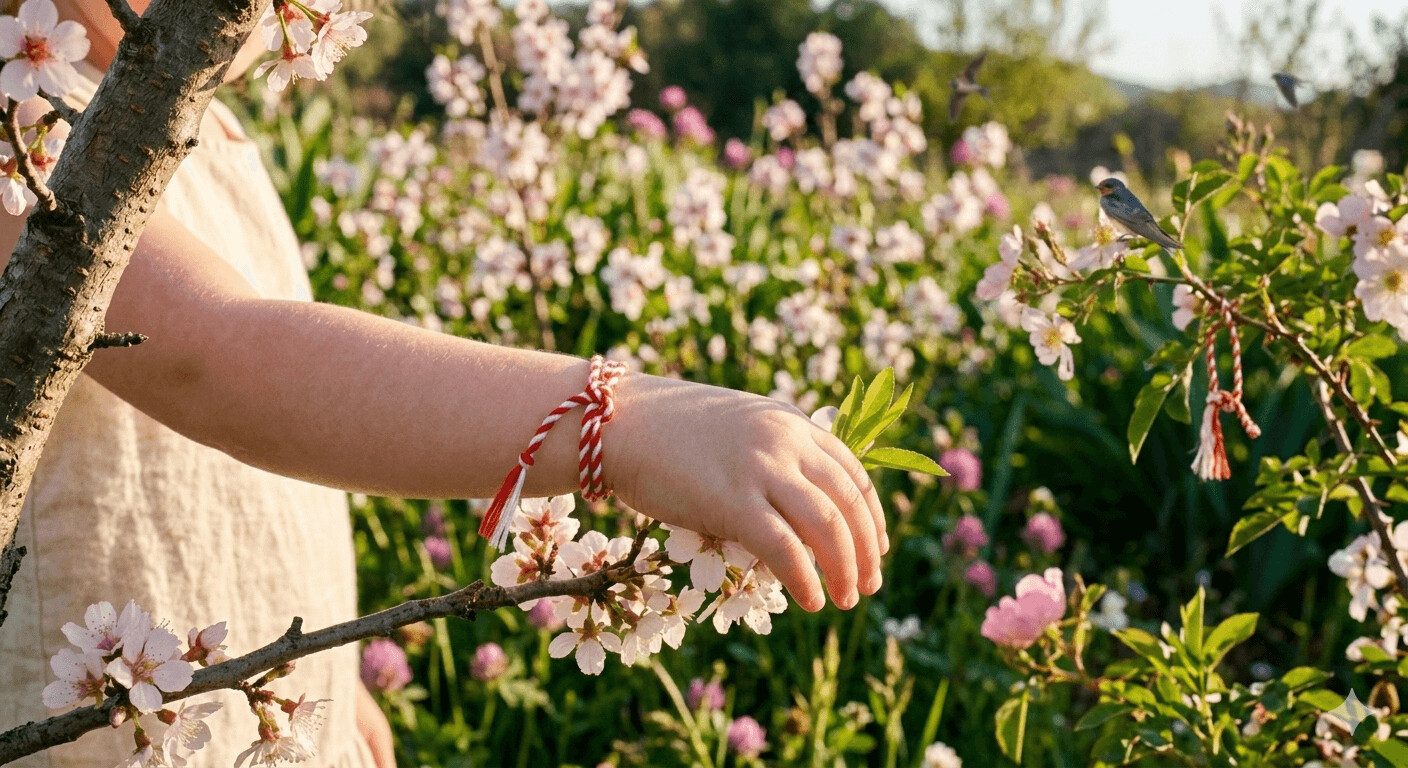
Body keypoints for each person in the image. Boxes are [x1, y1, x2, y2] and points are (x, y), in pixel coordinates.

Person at [0, 1, 886, 765]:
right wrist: (623, 422)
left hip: (235, 701)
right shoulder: (21, 139)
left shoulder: (199, 122)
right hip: (104, 741)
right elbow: (227, 365)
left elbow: (239, 498)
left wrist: (326, 680)